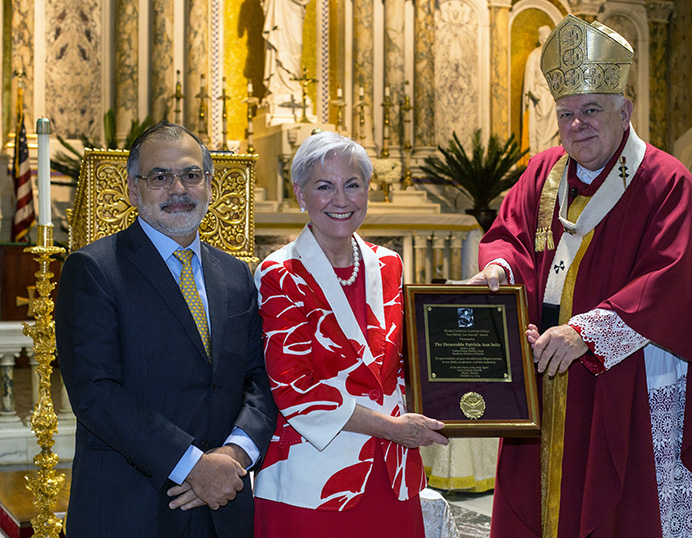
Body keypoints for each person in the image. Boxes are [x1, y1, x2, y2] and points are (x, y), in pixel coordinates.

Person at [468, 15, 692, 538]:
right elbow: (509, 234)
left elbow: (671, 279)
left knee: (625, 507)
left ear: (625, 110)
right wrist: (498, 269)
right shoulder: (543, 171)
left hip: (626, 376)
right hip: (543, 371)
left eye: (591, 110)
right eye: (567, 113)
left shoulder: (666, 182)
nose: (577, 125)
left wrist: (585, 333)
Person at [56, 121, 278, 537]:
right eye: (160, 177)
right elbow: (95, 392)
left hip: (222, 509)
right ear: (133, 190)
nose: (179, 188)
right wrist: (194, 466)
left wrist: (233, 457)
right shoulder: (94, 269)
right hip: (130, 509)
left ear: (209, 184)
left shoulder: (234, 274)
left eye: (191, 175)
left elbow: (260, 378)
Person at [252, 131, 448, 537]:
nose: (341, 200)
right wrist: (389, 427)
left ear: (367, 190)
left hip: (393, 475)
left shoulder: (389, 263)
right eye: (324, 187)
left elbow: (408, 359)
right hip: (314, 477)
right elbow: (292, 388)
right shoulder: (280, 273)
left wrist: (500, 339)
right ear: (300, 195)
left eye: (352, 184)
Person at [261, 0, 311, 123]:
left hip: (294, 10)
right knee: (278, 44)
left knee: (295, 46)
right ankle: (278, 87)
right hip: (277, 7)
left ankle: (292, 85)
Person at [522, 25, 559, 154]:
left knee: (555, 128)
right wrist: (533, 91)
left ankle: (552, 153)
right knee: (542, 127)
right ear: (541, 39)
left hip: (553, 95)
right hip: (541, 95)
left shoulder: (555, 55)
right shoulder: (534, 55)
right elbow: (530, 76)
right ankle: (541, 152)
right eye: (545, 37)